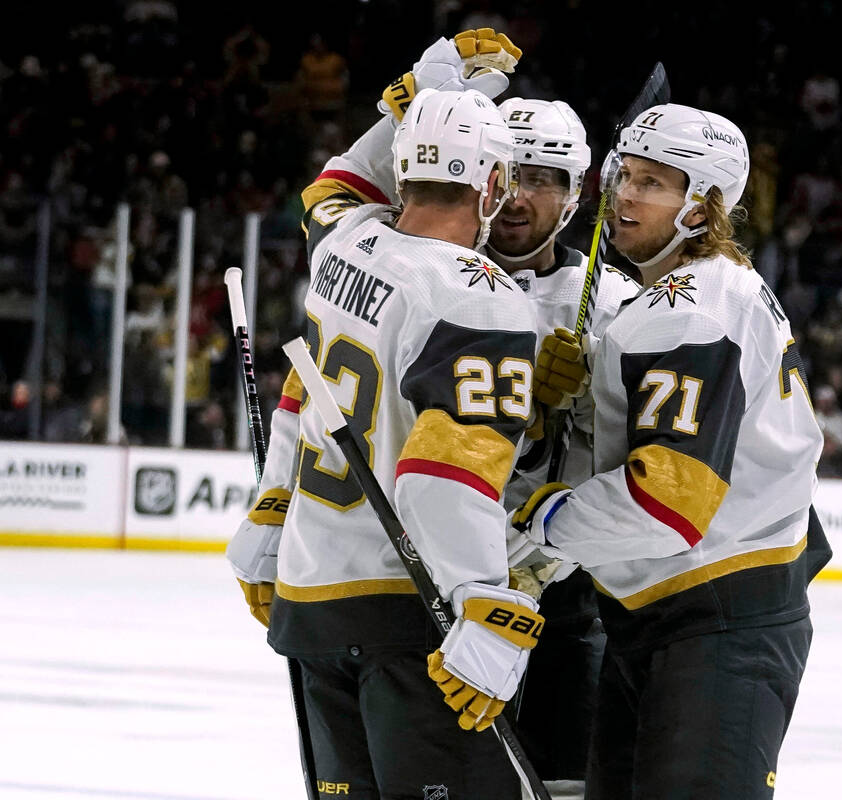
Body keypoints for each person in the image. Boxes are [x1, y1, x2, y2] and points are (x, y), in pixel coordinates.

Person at [228, 31, 545, 798]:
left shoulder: (345, 245)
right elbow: (441, 476)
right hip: (407, 618)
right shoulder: (482, 297)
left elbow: (335, 183)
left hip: (312, 604)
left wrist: (423, 86)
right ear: (494, 184)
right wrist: (481, 601)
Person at [509, 103, 831, 799]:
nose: (624, 193)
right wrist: (590, 382)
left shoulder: (688, 310)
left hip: (715, 627)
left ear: (704, 204)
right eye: (625, 173)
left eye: (655, 182)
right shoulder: (699, 290)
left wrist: (543, 523)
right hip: (674, 620)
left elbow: (667, 503)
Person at [486, 96, 639, 799]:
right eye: (505, 170)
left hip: (566, 590)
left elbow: (625, 464)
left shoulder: (612, 303)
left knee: (567, 781)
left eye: (542, 178)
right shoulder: (434, 276)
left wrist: (580, 407)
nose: (517, 194)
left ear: (576, 194)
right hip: (442, 577)